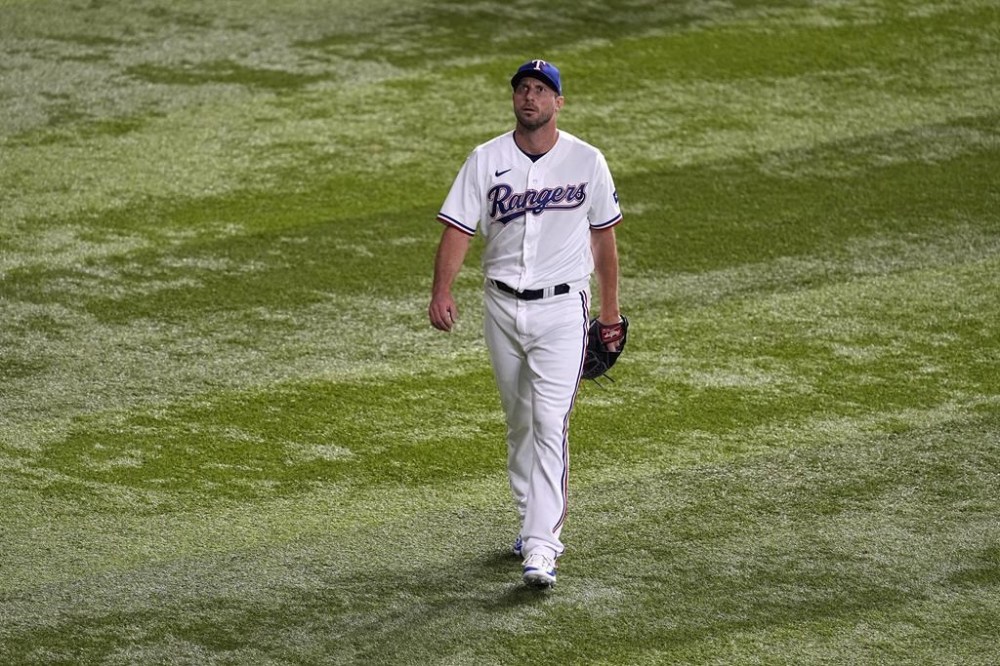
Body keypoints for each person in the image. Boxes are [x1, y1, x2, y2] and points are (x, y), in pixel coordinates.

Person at [428, 59, 624, 588]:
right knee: (519, 422)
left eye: (541, 90)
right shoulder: (486, 159)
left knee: (549, 423)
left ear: (559, 102)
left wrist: (609, 312)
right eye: (522, 89)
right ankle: (528, 518)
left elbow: (604, 239)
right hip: (500, 307)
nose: (529, 97)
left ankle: (542, 545)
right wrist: (441, 290)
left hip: (563, 310)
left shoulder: (587, 161)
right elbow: (458, 229)